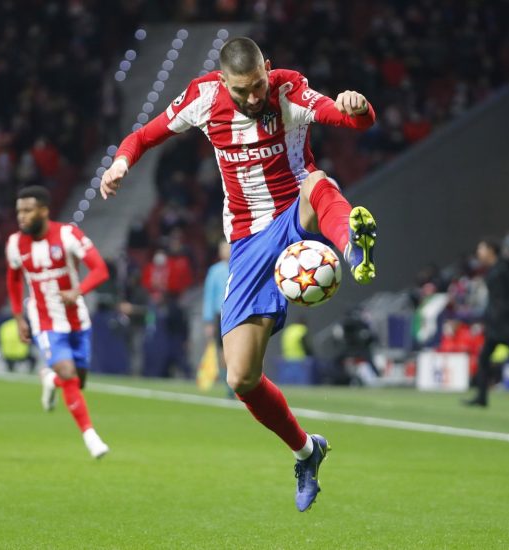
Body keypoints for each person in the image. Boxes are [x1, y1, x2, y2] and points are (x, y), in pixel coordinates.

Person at [100, 37, 378, 511]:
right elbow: (144, 136)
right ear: (223, 81)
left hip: (295, 208)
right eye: (243, 91)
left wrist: (358, 106)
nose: (254, 98)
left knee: (317, 181)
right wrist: (120, 163)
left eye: (259, 86)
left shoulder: (288, 90)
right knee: (241, 377)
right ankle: (308, 452)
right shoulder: (203, 97)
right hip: (247, 241)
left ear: (268, 70)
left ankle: (352, 246)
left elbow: (349, 119)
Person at [5, 185, 111, 458]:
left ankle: (50, 378)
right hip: (45, 322)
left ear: (43, 211)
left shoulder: (67, 235)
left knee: (79, 380)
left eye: (28, 211)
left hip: (77, 320)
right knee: (68, 374)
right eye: (19, 211)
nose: (22, 217)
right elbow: (14, 279)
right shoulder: (15, 244)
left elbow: (100, 269)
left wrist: (77, 292)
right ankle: (91, 437)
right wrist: (19, 317)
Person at [464, 239, 509, 409]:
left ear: (490, 250)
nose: (479, 253)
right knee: (484, 358)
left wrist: (506, 311)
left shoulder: (504, 267)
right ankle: (482, 397)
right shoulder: (492, 269)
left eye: (481, 248)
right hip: (495, 323)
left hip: (508, 323)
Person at [202, 238, 234, 397]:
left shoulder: (240, 266)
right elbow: (209, 295)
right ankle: (228, 383)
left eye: (229, 247)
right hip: (219, 314)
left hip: (236, 312)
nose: (226, 251)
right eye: (224, 248)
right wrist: (208, 320)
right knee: (223, 351)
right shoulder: (215, 271)